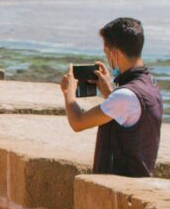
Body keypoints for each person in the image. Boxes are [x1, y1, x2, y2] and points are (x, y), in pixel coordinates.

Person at [61, 14, 163, 177]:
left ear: (114, 54)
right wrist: (108, 90)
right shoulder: (150, 83)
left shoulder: (125, 96)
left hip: (122, 187)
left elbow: (78, 122)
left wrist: (69, 93)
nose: (107, 58)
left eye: (106, 53)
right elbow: (127, 113)